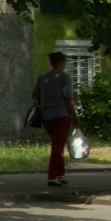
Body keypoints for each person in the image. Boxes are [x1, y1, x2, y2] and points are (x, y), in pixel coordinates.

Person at [32, 52, 80, 187]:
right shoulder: (65, 78)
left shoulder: (42, 77)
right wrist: (75, 117)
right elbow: (68, 99)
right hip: (62, 116)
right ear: (60, 63)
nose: (65, 65)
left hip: (47, 117)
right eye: (64, 62)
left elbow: (35, 95)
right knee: (57, 146)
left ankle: (61, 174)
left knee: (58, 144)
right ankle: (52, 176)